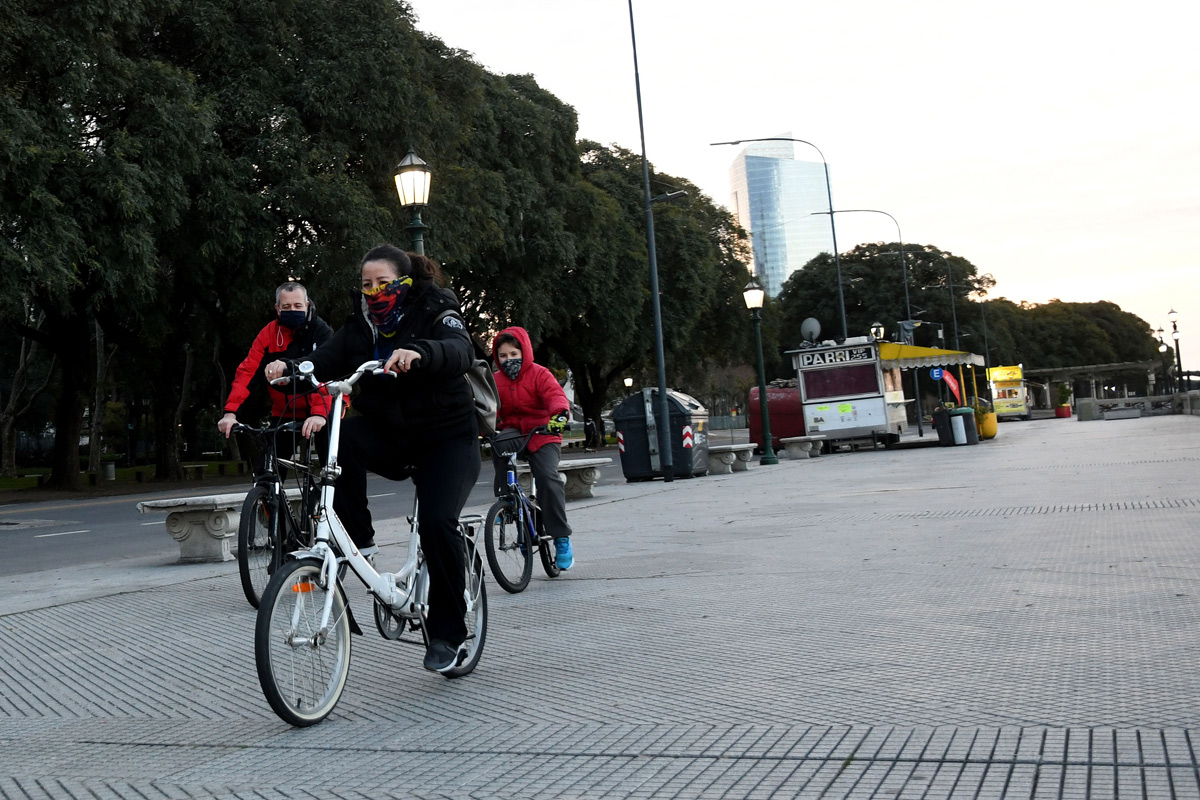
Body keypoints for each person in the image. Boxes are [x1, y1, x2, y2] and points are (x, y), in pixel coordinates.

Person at [266, 244, 480, 674]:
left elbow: (459, 348)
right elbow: (325, 359)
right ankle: (360, 540)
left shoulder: (436, 307)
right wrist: (291, 370)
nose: (373, 292)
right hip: (395, 437)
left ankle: (448, 635)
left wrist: (421, 352)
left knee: (439, 524)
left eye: (383, 283)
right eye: (366, 285)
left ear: (404, 281)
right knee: (339, 441)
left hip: (448, 439)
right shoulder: (360, 325)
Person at [217, 281, 333, 463]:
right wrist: (230, 413)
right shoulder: (268, 334)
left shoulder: (321, 332)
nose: (292, 310)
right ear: (277, 309)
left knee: (331, 466)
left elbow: (327, 372)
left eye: (298, 305)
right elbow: (246, 372)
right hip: (285, 410)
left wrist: (319, 413)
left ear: (307, 305)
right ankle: (268, 491)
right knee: (269, 468)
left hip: (323, 405)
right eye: (286, 307)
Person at [490, 326, 574, 570]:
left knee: (548, 479)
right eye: (503, 356)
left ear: (524, 352)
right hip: (514, 432)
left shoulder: (540, 374)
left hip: (542, 432)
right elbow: (486, 406)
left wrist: (558, 416)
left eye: (514, 354)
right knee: (499, 443)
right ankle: (508, 503)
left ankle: (561, 537)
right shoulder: (494, 380)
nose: (509, 360)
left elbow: (555, 397)